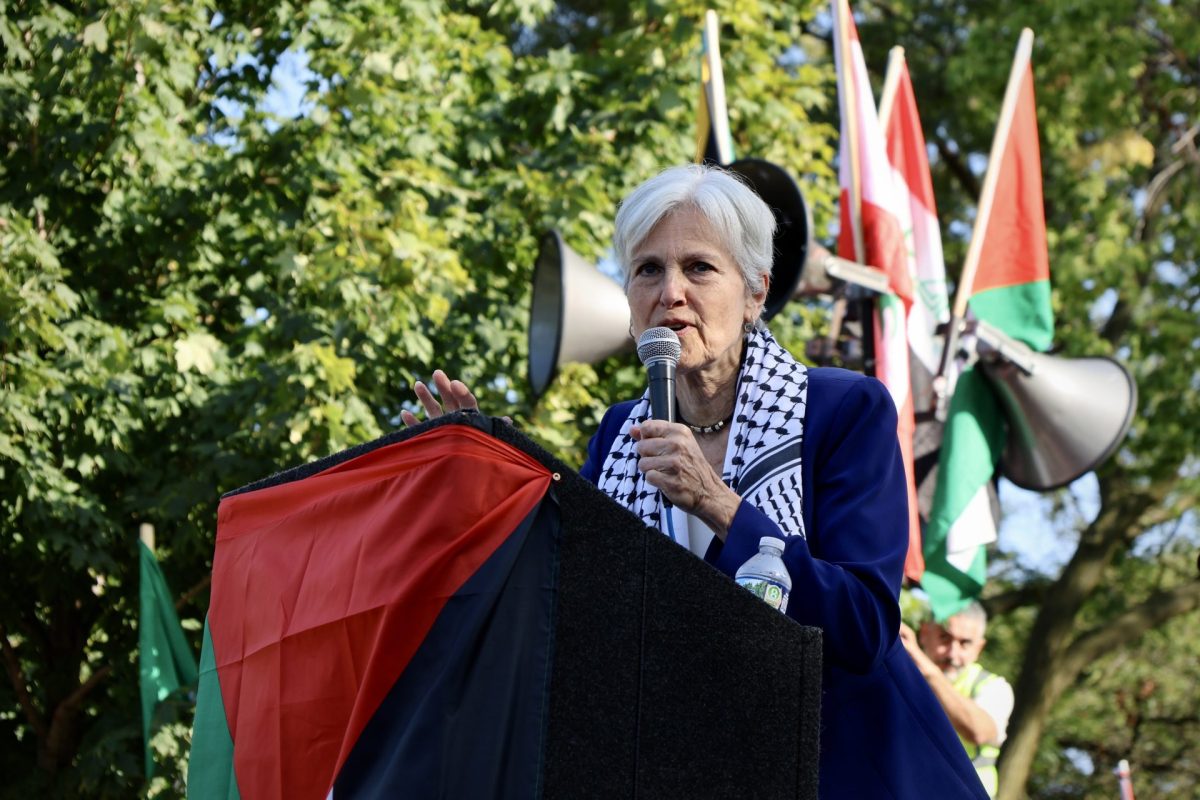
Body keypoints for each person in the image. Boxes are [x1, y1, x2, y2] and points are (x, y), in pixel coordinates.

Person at [405, 163, 988, 799]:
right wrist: (485, 479)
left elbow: (864, 628)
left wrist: (720, 506)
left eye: (699, 268)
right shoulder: (621, 432)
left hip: (841, 772)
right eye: (648, 269)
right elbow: (575, 604)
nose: (670, 292)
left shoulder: (843, 410)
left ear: (756, 293)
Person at [900, 601, 1015, 798]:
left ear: (979, 647)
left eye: (965, 643)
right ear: (924, 633)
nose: (953, 653)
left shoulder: (994, 687)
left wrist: (928, 671)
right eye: (945, 638)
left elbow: (978, 731)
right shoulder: (899, 678)